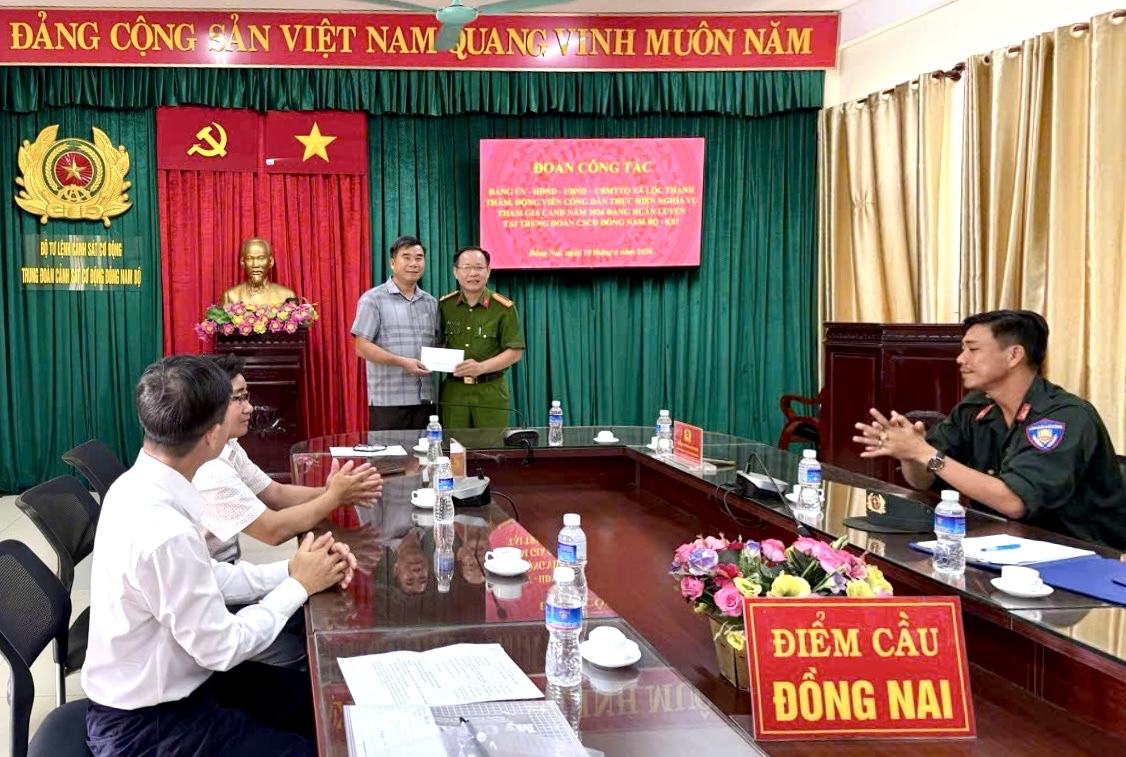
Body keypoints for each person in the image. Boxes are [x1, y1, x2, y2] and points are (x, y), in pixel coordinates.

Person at [83, 355, 357, 756]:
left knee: (312, 702)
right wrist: (299, 585)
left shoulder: (134, 486)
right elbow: (224, 647)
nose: (244, 411)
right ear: (213, 436)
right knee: (305, 743)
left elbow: (208, 575)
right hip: (150, 726)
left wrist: (293, 569)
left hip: (187, 683)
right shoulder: (165, 531)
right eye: (234, 403)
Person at [853, 309, 1126, 549]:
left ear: (1014, 355)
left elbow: (1014, 502)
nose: (960, 359)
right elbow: (924, 481)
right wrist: (910, 454)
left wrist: (925, 453)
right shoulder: (974, 408)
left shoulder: (1064, 417)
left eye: (973, 350)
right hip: (1000, 544)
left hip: (1082, 558)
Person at [193, 352, 383, 668]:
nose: (250, 407)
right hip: (213, 595)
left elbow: (276, 494)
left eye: (247, 396)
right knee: (306, 651)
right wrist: (334, 497)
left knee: (313, 610)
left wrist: (334, 493)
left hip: (230, 575)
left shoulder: (228, 446)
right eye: (238, 399)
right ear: (210, 407)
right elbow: (273, 530)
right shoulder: (209, 467)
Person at [352, 235, 441, 430]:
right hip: (388, 401)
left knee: (426, 450)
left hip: (425, 400)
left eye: (419, 258)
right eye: (406, 257)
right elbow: (361, 347)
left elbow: (437, 345)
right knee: (389, 451)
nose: (413, 263)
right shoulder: (373, 299)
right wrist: (402, 362)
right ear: (392, 263)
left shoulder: (431, 303)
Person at [438, 246, 525, 429]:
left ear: (488, 271)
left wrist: (481, 367)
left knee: (491, 444)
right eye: (466, 267)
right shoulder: (445, 306)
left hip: (490, 392)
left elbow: (515, 351)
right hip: (454, 392)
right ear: (455, 272)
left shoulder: (503, 308)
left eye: (478, 267)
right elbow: (438, 342)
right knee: (454, 444)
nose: (473, 273)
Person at [221, 237, 297, 306]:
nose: (255, 265)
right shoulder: (230, 296)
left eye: (261, 258)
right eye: (250, 258)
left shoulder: (287, 295)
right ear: (242, 262)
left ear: (271, 262)